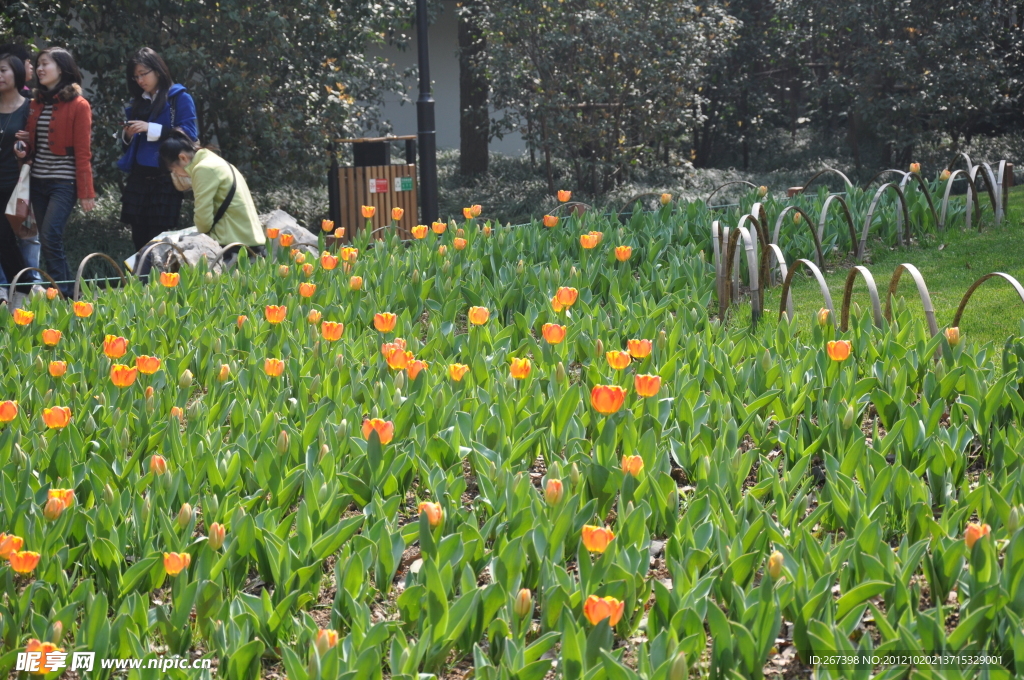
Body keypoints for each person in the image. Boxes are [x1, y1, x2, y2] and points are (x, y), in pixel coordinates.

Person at [14, 47, 95, 297]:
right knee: (48, 240)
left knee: (50, 236)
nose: (39, 69)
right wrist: (23, 144)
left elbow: (83, 152)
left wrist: (87, 192)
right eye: (37, 64)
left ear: (61, 67)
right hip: (38, 180)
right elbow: (31, 146)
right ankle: (60, 293)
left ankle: (65, 295)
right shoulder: (36, 103)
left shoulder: (79, 105)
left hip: (64, 182)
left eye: (45, 63)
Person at [119, 48, 197, 252]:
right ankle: (142, 283)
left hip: (166, 178)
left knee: (159, 242)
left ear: (159, 70)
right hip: (138, 177)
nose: (139, 80)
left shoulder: (179, 97)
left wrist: (150, 128)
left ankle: (160, 283)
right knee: (138, 240)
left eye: (143, 73)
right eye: (135, 76)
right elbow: (128, 145)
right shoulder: (138, 101)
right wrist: (128, 135)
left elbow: (189, 133)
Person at [159, 129, 266, 260]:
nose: (177, 175)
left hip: (232, 246)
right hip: (250, 241)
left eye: (174, 170)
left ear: (183, 158)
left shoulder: (203, 168)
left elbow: (203, 222)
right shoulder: (215, 161)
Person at [0, 52, 30, 303]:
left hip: (14, 182)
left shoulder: (30, 106)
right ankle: (19, 290)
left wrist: (28, 144)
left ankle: (27, 288)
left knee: (7, 236)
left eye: (3, 70)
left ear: (17, 73)